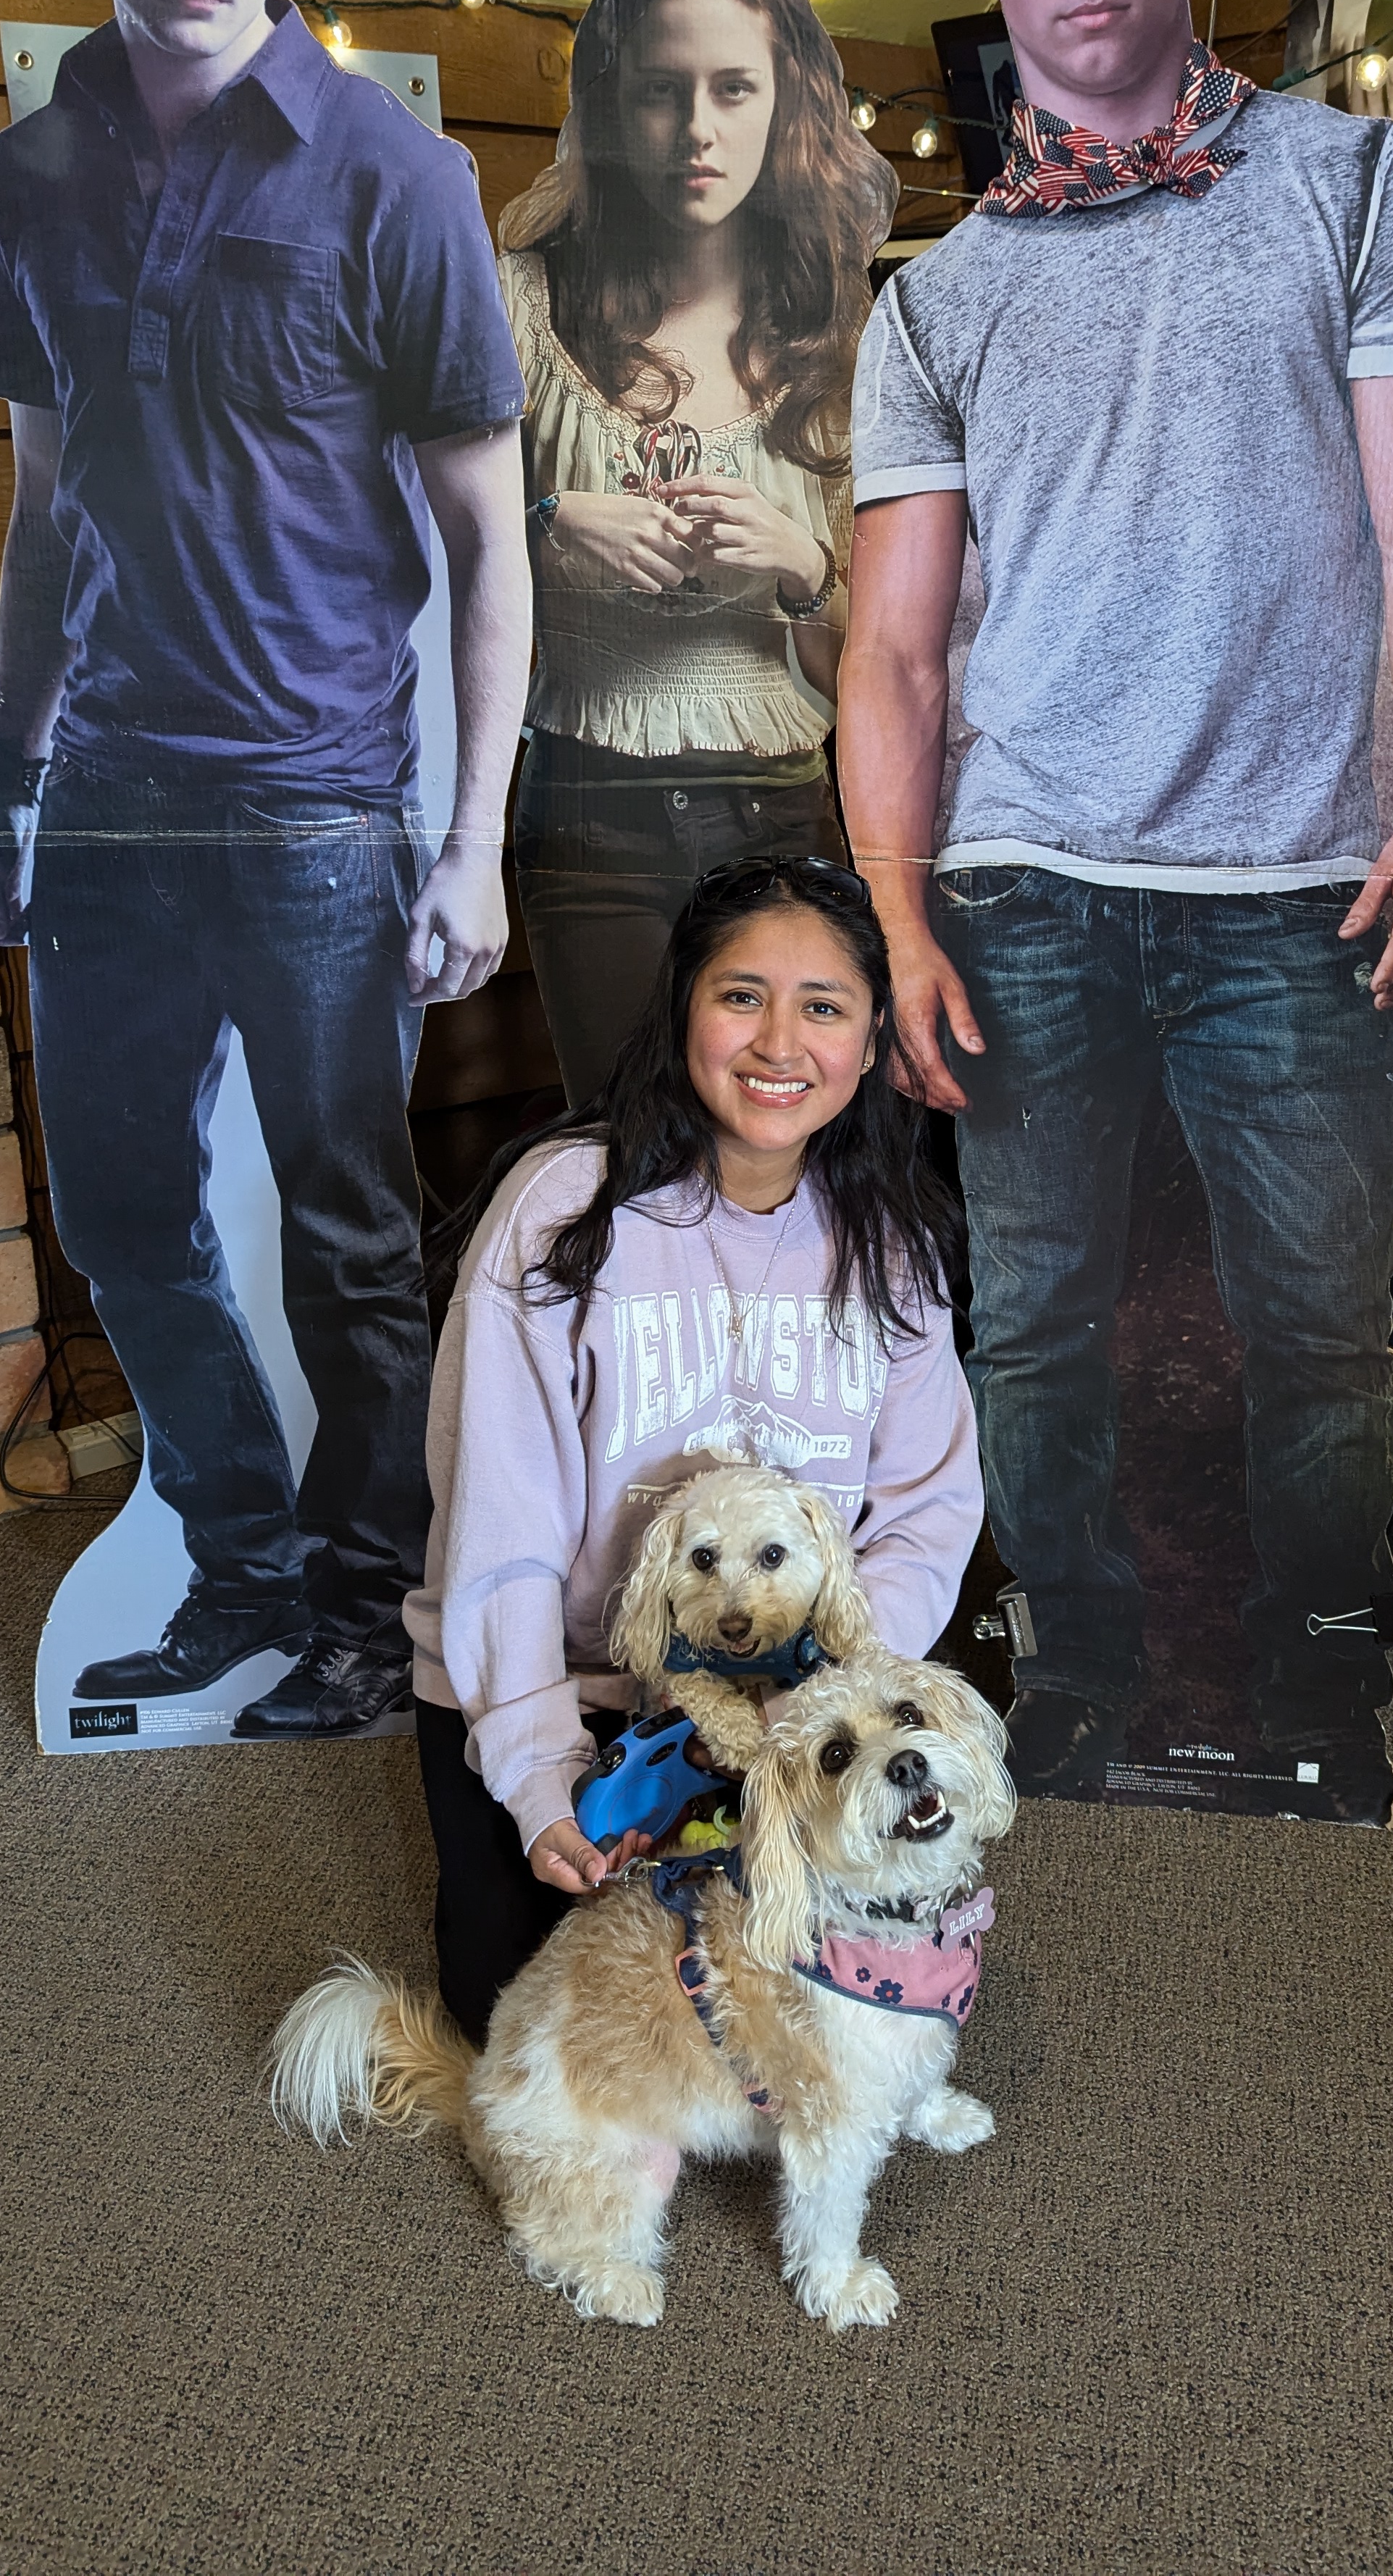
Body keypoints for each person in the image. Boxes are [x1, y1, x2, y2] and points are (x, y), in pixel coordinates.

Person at [838, 0, 1393, 1807]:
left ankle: (1315, 1694)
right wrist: (890, 910)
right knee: (1037, 1331)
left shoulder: (1357, 186)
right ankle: (1095, 1683)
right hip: (1022, 891)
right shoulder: (933, 305)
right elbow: (895, 654)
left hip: (1306, 889)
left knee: (1317, 1331)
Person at [0, 0, 532, 1739]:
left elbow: (490, 541)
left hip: (316, 810)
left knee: (351, 1241)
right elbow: (36, 521)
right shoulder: (27, 184)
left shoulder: (398, 179)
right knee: (122, 1218)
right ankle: (243, 1562)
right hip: (101, 801)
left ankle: (370, 1607)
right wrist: (1, 782)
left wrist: (469, 838)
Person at [403, 853, 982, 2042]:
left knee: (811, 2015)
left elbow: (926, 1511)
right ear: (684, 1013)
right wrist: (532, 1769)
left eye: (824, 1007)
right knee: (520, 2018)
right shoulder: (564, 1212)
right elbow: (495, 1523)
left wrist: (829, 1714)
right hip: (567, 1682)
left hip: (795, 1698)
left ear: (870, 1044)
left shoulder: (894, 1248)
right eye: (741, 996)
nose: (781, 1043)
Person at [496, 0, 894, 1104]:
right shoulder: (519, 303)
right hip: (586, 811)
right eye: (663, 91)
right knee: (625, 1154)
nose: (697, 133)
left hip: (782, 820)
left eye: (734, 88)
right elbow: (407, 556)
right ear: (612, 102)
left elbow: (883, 671)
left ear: (787, 103)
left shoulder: (848, 335)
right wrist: (548, 519)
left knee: (781, 1164)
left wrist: (801, 566)